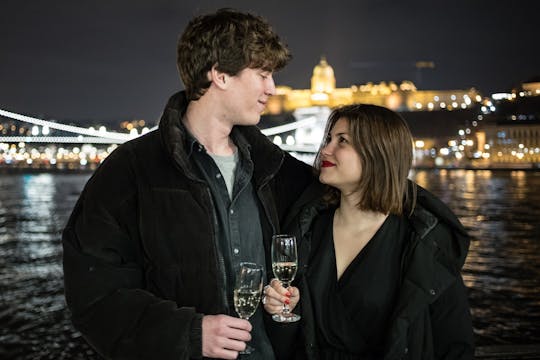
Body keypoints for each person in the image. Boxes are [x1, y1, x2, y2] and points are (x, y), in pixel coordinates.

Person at [62, 8, 313, 360]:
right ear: (220, 75)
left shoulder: (278, 170)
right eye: (263, 74)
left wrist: (286, 297)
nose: (272, 88)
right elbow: (94, 297)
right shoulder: (129, 171)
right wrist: (188, 334)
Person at [263, 104, 475, 359]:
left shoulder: (423, 242)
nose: (325, 149)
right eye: (329, 138)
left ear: (377, 154)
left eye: (343, 141)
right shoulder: (307, 227)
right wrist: (282, 310)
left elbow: (454, 344)